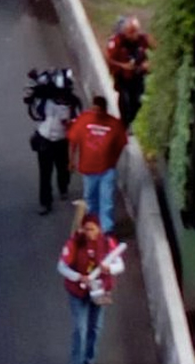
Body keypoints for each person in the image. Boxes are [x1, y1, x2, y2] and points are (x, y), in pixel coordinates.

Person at [58, 214, 126, 364]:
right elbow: (62, 267)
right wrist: (78, 277)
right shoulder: (74, 243)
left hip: (98, 292)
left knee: (95, 328)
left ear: (99, 229)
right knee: (80, 329)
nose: (89, 233)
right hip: (78, 293)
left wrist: (109, 268)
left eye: (92, 229)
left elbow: (120, 265)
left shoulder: (107, 242)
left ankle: (89, 359)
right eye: (86, 229)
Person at [68, 96, 129, 236]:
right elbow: (73, 141)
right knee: (90, 198)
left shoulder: (114, 124)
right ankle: (93, 224)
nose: (95, 113)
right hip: (88, 169)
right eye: (93, 109)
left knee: (107, 200)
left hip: (107, 169)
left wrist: (113, 162)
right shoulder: (84, 120)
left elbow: (120, 145)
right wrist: (71, 160)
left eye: (98, 110)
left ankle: (107, 229)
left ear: (104, 110)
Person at [32, 71, 82, 215]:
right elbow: (36, 112)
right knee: (45, 173)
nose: (60, 96)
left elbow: (77, 122)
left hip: (62, 140)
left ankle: (63, 187)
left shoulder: (73, 104)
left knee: (63, 168)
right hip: (45, 139)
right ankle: (45, 202)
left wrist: (70, 124)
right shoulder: (44, 101)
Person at [107, 17, 156, 128]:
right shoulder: (117, 41)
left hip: (138, 75)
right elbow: (110, 59)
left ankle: (129, 121)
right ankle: (124, 123)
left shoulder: (143, 39)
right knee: (125, 100)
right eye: (130, 32)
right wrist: (123, 66)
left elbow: (157, 49)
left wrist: (148, 64)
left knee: (137, 102)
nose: (133, 35)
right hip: (123, 77)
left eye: (134, 32)